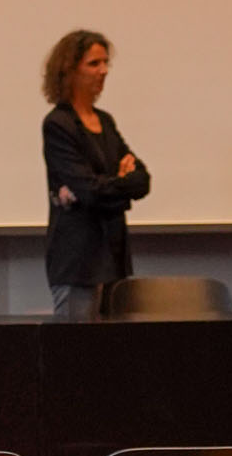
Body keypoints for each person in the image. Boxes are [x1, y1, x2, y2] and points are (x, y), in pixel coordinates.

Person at [41, 28, 150, 320]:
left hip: (113, 255)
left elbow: (142, 181)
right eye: (94, 64)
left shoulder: (105, 121)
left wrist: (112, 187)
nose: (103, 71)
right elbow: (89, 190)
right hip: (78, 260)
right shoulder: (59, 124)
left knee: (112, 344)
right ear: (70, 70)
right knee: (77, 344)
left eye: (105, 63)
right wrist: (120, 185)